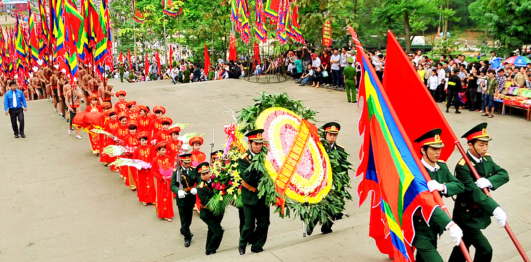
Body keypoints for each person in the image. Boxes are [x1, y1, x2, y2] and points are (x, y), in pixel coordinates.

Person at [448, 123, 509, 262]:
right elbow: (474, 192)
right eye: (481, 145)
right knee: (485, 250)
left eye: (486, 144)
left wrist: (489, 181)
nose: (485, 148)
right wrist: (495, 208)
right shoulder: (463, 166)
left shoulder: (487, 158)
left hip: (478, 213)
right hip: (466, 215)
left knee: (463, 246)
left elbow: (504, 174)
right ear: (470, 145)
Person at [412, 129, 464, 262]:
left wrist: (443, 187)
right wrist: (450, 224)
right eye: (434, 149)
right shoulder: (415, 172)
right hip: (419, 225)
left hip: (433, 225)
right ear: (423, 150)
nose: (438, 152)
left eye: (439, 148)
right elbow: (427, 202)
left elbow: (459, 185)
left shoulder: (442, 167)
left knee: (422, 259)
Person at [238, 129, 269, 255]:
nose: (258, 146)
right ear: (249, 143)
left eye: (260, 143)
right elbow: (248, 178)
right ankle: (242, 243)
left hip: (263, 196)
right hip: (250, 196)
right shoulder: (244, 159)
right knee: (249, 225)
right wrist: (264, 174)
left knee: (264, 223)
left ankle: (257, 246)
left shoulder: (266, 155)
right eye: (256, 144)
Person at [170, 153, 199, 248]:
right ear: (181, 162)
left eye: (189, 162)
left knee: (189, 217)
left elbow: (199, 181)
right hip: (181, 197)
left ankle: (184, 229)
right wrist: (178, 191)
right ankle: (187, 237)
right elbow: (172, 185)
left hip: (190, 196)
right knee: (184, 219)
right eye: (186, 163)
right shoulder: (177, 172)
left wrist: (196, 188)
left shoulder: (193, 170)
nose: (188, 164)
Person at [196, 162, 224, 255]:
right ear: (200, 175)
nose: (206, 175)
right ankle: (211, 249)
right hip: (207, 213)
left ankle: (208, 247)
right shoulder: (200, 188)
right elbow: (207, 201)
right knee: (218, 231)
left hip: (217, 212)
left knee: (212, 230)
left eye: (207, 173)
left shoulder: (215, 180)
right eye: (203, 174)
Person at [151, 141, 175, 222]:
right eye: (162, 150)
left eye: (164, 150)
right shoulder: (155, 160)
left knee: (169, 196)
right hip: (161, 181)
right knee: (161, 196)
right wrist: (160, 177)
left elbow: (172, 165)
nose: (164, 151)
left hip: (169, 180)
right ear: (158, 151)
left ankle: (168, 213)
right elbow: (153, 171)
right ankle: (162, 213)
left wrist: (174, 168)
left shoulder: (168, 157)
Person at [132, 131, 156, 206]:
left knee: (151, 183)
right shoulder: (137, 150)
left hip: (149, 169)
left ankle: (151, 199)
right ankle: (144, 199)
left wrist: (151, 164)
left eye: (145, 140)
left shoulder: (150, 148)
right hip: (141, 170)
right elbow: (134, 160)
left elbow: (153, 157)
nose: (144, 142)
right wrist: (139, 165)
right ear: (139, 141)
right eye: (142, 140)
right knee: (142, 184)